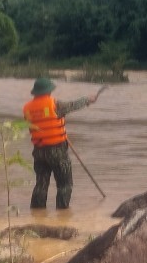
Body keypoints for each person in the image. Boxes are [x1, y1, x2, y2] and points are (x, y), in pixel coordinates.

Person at [23, 76, 99, 210]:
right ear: (48, 91)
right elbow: (73, 105)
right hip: (57, 150)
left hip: (39, 151)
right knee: (65, 184)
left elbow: (40, 122)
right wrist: (88, 99)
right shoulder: (55, 104)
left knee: (41, 185)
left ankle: (37, 214)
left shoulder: (27, 108)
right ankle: (62, 213)